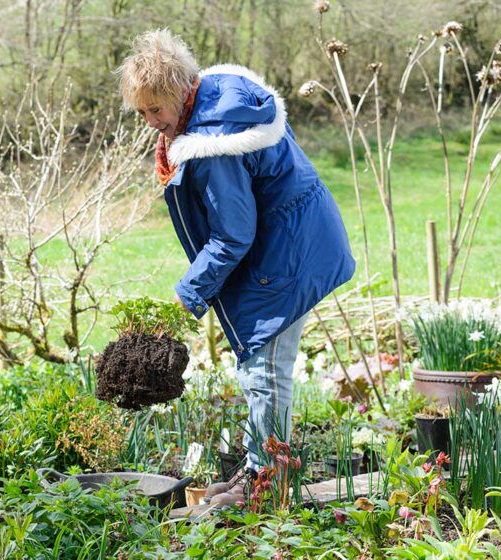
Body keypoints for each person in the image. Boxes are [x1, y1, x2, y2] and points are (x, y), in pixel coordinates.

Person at [117, 29, 355, 474]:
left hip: (288, 256)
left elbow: (232, 236)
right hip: (288, 243)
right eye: (141, 111)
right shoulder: (218, 105)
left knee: (264, 372)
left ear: (182, 90)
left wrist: (186, 296)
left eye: (156, 108)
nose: (149, 120)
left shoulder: (215, 146)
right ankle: (258, 471)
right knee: (257, 370)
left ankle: (266, 480)